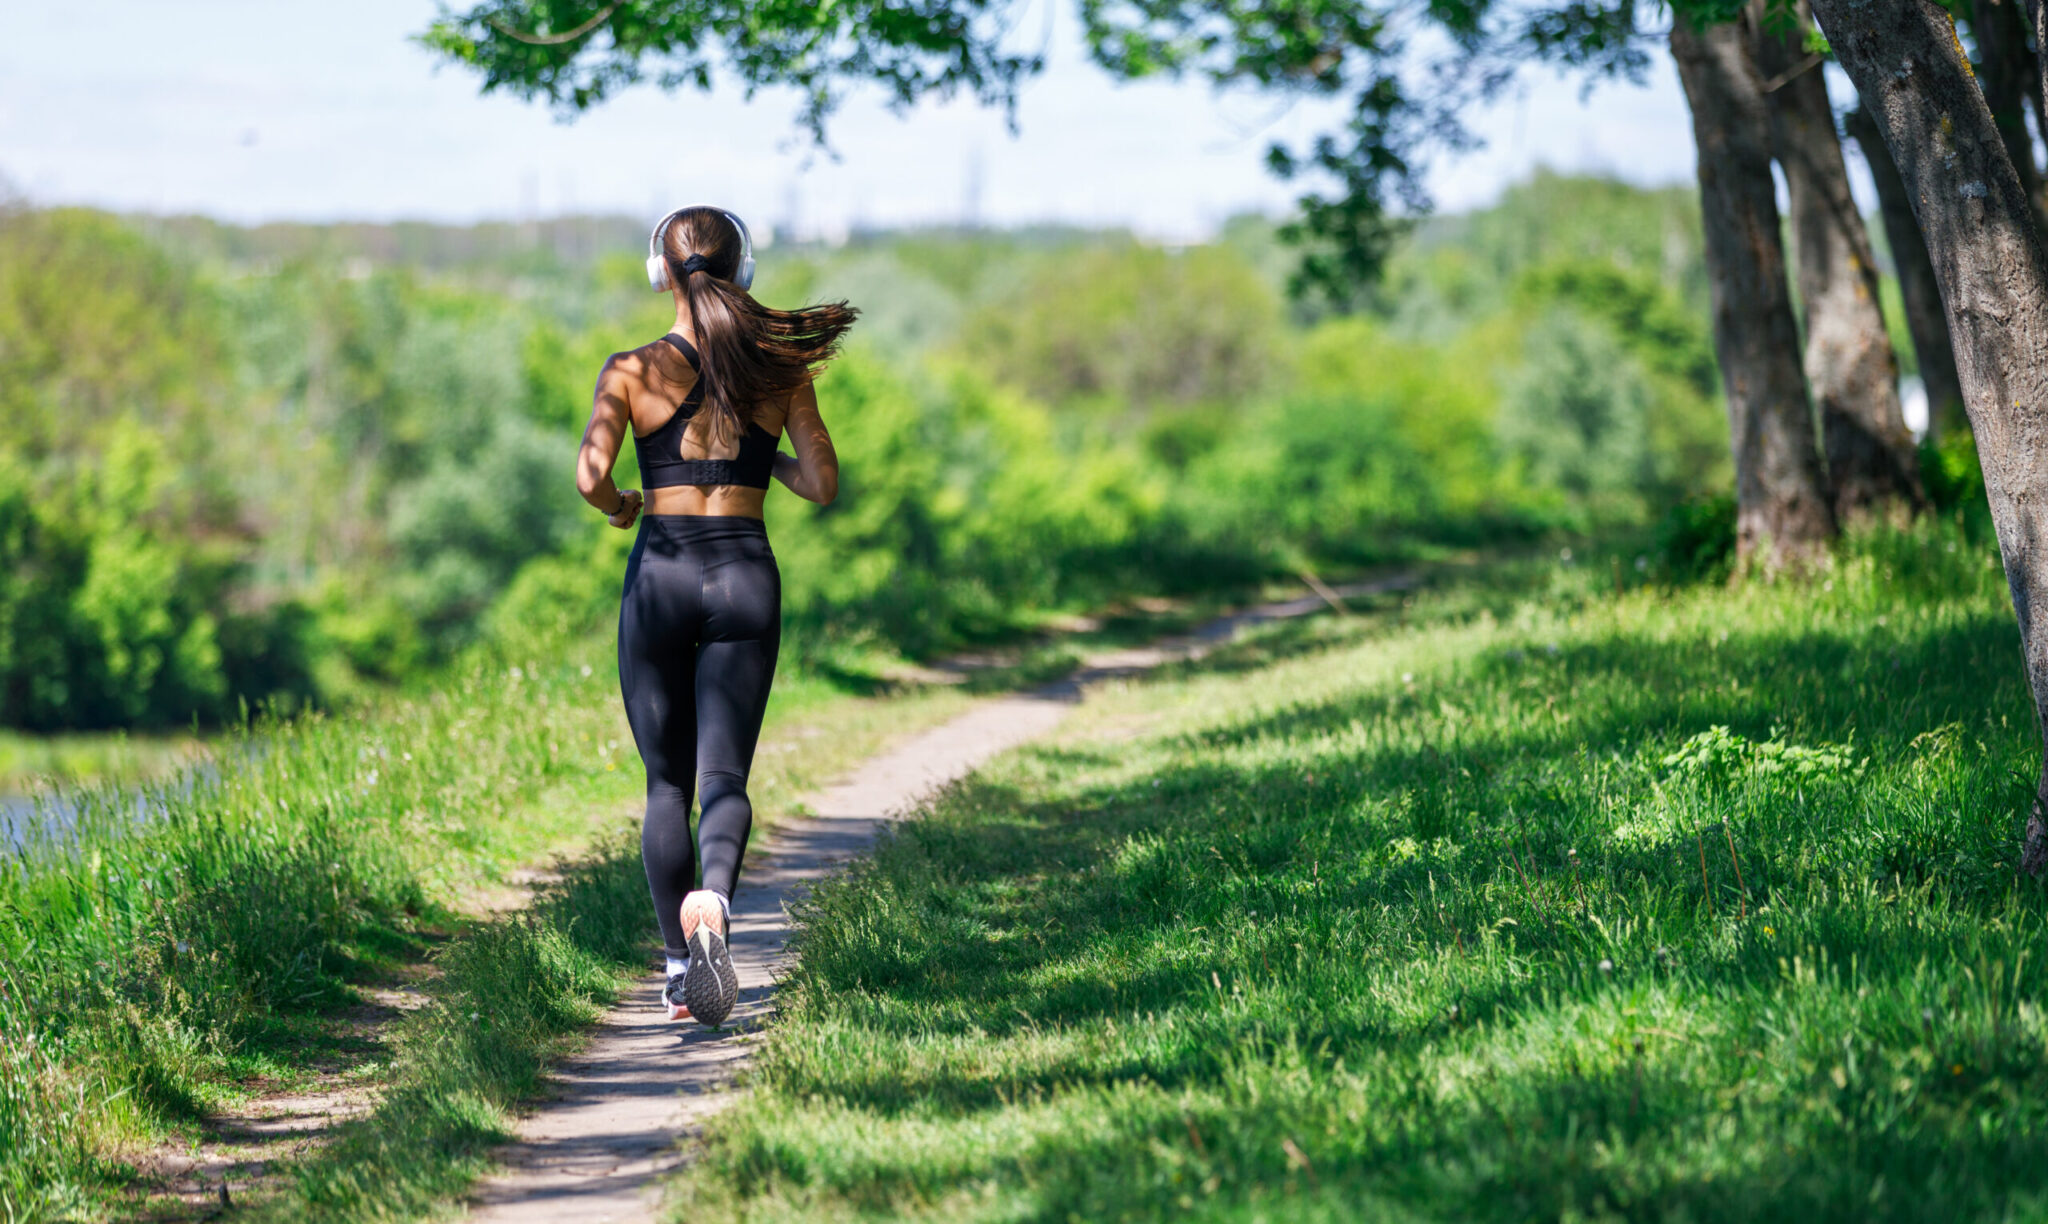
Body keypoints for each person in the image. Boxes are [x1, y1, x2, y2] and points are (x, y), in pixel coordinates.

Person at [575, 205, 853, 1027]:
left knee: (667, 784)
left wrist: (626, 503)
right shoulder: (780, 372)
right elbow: (823, 482)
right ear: (746, 271)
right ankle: (716, 909)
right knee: (724, 779)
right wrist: (764, 464)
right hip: (744, 576)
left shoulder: (630, 369)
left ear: (659, 271)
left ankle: (674, 966)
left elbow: (590, 477)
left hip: (661, 575)